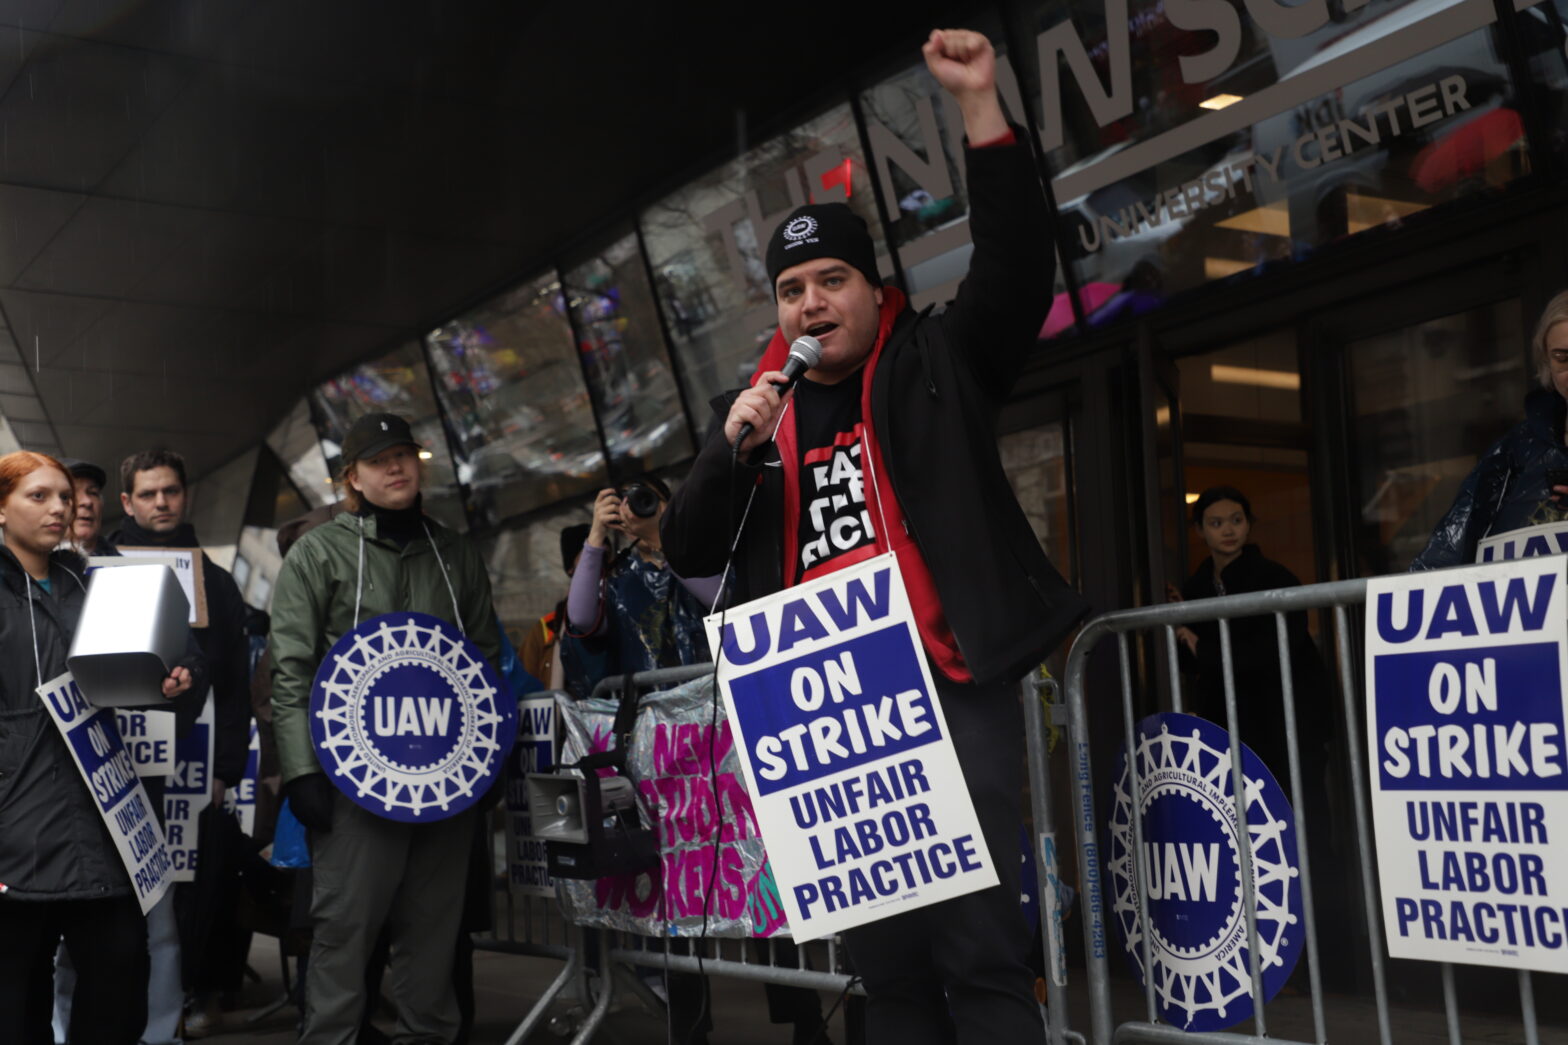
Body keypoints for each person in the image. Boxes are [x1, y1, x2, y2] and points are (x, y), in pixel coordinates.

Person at [661, 29, 1086, 1044]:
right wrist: (731, 450)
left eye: (831, 281)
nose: (812, 302)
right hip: (828, 715)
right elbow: (685, 546)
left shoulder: (938, 360)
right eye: (792, 289)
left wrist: (979, 107)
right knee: (885, 972)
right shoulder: (761, 412)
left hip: (945, 690)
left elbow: (1021, 267)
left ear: (873, 288)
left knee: (980, 955)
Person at [269, 412, 503, 1045]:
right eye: (379, 460)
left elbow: (485, 658)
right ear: (352, 478)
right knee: (343, 938)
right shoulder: (318, 554)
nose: (396, 466)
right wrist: (301, 772)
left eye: (404, 454)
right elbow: (288, 673)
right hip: (352, 787)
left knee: (433, 944)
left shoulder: (455, 552)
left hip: (447, 786)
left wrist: (494, 756)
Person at [0, 450, 202, 1045]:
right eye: (39, 496)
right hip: (14, 828)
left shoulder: (92, 585)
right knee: (15, 997)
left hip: (102, 822)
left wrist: (173, 679)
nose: (60, 508)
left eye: (64, 496)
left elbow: (173, 657)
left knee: (119, 975)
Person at [110, 448, 253, 1038]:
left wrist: (225, 768)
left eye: (170, 490)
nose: (161, 502)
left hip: (197, 762)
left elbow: (238, 683)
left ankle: (185, 997)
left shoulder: (217, 584)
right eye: (148, 493)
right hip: (117, 764)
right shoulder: (97, 568)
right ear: (128, 502)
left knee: (190, 888)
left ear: (185, 494)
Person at [1168, 487, 1333, 775]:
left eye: (1236, 520)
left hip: (1283, 718)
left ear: (1248, 524)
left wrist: (1202, 647)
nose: (1228, 530)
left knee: (1295, 806)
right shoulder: (1197, 587)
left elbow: (1273, 650)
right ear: (1199, 530)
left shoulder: (1275, 578)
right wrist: (1179, 623)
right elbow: (1192, 663)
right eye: (1216, 523)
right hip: (1230, 724)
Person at [1412, 290, 1568, 568]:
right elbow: (1452, 543)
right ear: (1547, 362)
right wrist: (1414, 600)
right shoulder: (1521, 445)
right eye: (1563, 358)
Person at [564, 480, 716, 697]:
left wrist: (660, 536)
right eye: (627, 506)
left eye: (647, 500)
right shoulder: (619, 582)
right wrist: (596, 532)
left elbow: (719, 596)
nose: (638, 511)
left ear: (671, 507)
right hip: (654, 717)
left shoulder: (703, 552)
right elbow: (581, 618)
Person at [60, 458, 112, 557]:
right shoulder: (27, 568)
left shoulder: (125, 569)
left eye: (93, 493)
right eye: (72, 493)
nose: (87, 502)